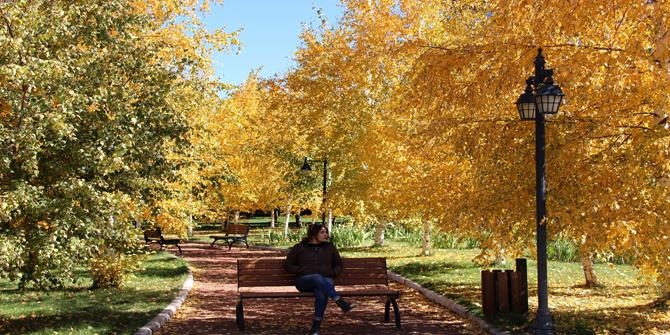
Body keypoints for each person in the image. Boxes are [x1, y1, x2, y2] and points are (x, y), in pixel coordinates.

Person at [284, 224, 354, 335]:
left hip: (325, 281)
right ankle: (339, 301)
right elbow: (288, 265)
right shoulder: (300, 247)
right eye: (322, 232)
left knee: (322, 291)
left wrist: (332, 272)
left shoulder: (330, 247)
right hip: (303, 281)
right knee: (317, 277)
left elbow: (338, 264)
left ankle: (315, 328)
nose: (326, 234)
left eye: (326, 232)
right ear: (313, 233)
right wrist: (301, 270)